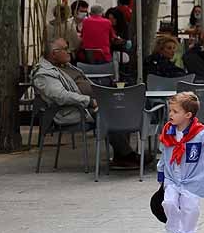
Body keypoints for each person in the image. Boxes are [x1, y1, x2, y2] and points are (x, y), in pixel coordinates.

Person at [32, 37, 141, 169]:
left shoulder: (65, 66)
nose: (69, 52)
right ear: (54, 53)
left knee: (120, 107)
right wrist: (89, 101)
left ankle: (122, 155)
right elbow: (61, 96)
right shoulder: (44, 74)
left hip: (90, 103)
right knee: (107, 114)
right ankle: (126, 156)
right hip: (69, 111)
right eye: (65, 49)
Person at [157, 91, 204, 233]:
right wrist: (161, 171)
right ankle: (172, 230)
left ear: (187, 115)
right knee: (168, 202)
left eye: (175, 111)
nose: (170, 114)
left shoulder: (201, 133)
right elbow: (164, 151)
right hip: (172, 177)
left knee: (190, 207)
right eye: (170, 111)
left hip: (193, 179)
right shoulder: (168, 131)